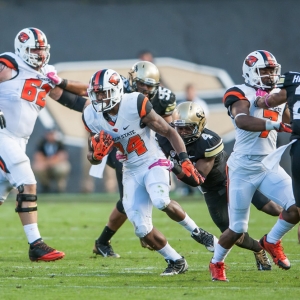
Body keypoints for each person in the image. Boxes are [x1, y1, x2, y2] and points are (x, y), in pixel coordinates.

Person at [82, 68, 217, 275]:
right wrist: (97, 156)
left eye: (104, 92)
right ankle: (176, 260)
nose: (99, 97)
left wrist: (183, 160)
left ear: (117, 90)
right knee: (141, 229)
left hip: (153, 159)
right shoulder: (90, 115)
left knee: (161, 200)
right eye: (97, 93)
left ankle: (199, 233)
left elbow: (170, 131)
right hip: (130, 168)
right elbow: (92, 154)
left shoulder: (135, 102)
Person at [157, 101, 283, 271]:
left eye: (188, 128)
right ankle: (258, 248)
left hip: (235, 179)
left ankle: (280, 233)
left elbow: (196, 180)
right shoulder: (166, 138)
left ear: (200, 125)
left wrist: (173, 165)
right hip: (212, 191)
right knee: (232, 234)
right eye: (179, 128)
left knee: (273, 208)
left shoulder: (209, 141)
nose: (182, 132)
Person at [209, 50, 299, 282]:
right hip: (242, 168)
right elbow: (242, 120)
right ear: (250, 71)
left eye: (272, 70)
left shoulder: (278, 94)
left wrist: (288, 120)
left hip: (269, 164)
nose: (270, 75)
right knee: (237, 228)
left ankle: (271, 240)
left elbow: (289, 120)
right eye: (265, 70)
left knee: (296, 208)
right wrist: (278, 126)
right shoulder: (239, 92)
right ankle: (216, 262)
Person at [0, 27, 89, 262]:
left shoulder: (47, 72)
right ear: (21, 50)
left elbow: (69, 99)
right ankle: (36, 245)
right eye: (33, 50)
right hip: (2, 135)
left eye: (42, 50)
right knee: (28, 183)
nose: (39, 55)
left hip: (19, 140)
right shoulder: (9, 64)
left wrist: (98, 110)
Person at [254, 70, 300, 244]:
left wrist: (261, 100)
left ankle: (271, 241)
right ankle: (270, 241)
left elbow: (272, 101)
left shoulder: (292, 78)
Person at [33, 129, 71, 193]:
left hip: (56, 165)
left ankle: (60, 187)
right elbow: (38, 156)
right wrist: (47, 163)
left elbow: (62, 156)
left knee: (63, 167)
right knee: (37, 166)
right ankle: (45, 185)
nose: (50, 136)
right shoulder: (42, 143)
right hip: (46, 165)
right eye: (49, 134)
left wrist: (50, 162)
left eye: (52, 134)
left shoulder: (59, 143)